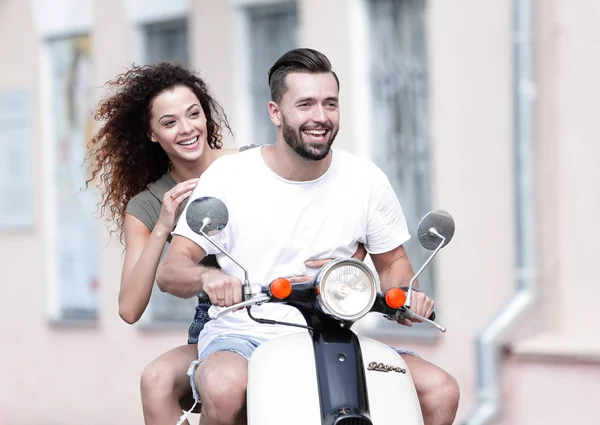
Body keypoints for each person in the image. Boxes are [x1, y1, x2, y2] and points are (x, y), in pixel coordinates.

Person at [156, 48, 459, 425]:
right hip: (244, 335)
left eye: (330, 104)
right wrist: (211, 277)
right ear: (275, 112)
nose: (320, 117)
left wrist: (407, 295)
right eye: (306, 104)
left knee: (440, 390)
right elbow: (171, 271)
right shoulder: (230, 177)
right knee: (223, 385)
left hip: (334, 337)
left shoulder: (365, 180)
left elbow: (395, 264)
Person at [86, 61, 366, 425]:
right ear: (152, 134)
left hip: (289, 307)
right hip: (218, 322)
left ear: (207, 116)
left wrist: (346, 268)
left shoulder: (253, 164)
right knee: (156, 378)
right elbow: (129, 308)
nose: (187, 129)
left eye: (194, 114)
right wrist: (163, 226)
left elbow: (327, 219)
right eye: (170, 122)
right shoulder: (149, 204)